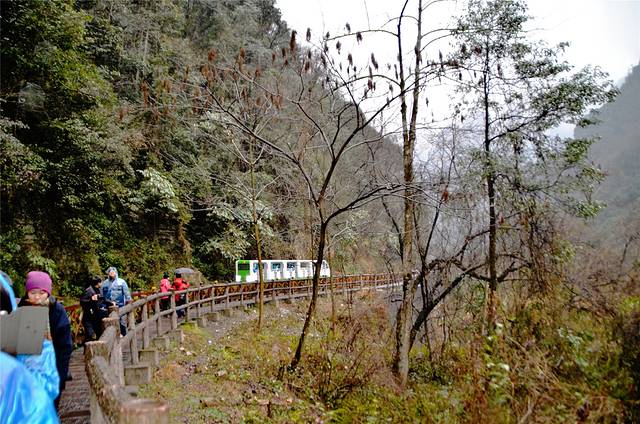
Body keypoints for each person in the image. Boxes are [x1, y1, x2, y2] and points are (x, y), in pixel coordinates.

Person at [17, 271, 72, 411]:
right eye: (33, 292)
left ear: (48, 292)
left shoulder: (57, 311)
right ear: (27, 292)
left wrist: (61, 374)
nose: (37, 297)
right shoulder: (20, 309)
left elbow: (65, 346)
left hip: (53, 365)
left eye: (42, 293)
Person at [101, 266, 131, 336]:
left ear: (116, 273)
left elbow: (127, 294)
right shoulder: (105, 283)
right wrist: (102, 306)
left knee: (122, 322)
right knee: (110, 323)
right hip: (108, 307)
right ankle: (114, 338)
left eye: (113, 272)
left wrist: (129, 303)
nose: (111, 274)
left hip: (120, 305)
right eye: (110, 272)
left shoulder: (121, 282)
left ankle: (124, 336)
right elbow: (102, 296)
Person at [79, 276, 106, 343]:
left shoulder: (98, 289)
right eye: (101, 282)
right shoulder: (89, 290)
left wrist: (110, 302)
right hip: (88, 316)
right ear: (98, 283)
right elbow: (82, 301)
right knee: (90, 335)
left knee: (99, 332)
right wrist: (91, 299)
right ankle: (88, 348)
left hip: (96, 315)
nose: (102, 283)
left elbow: (102, 299)